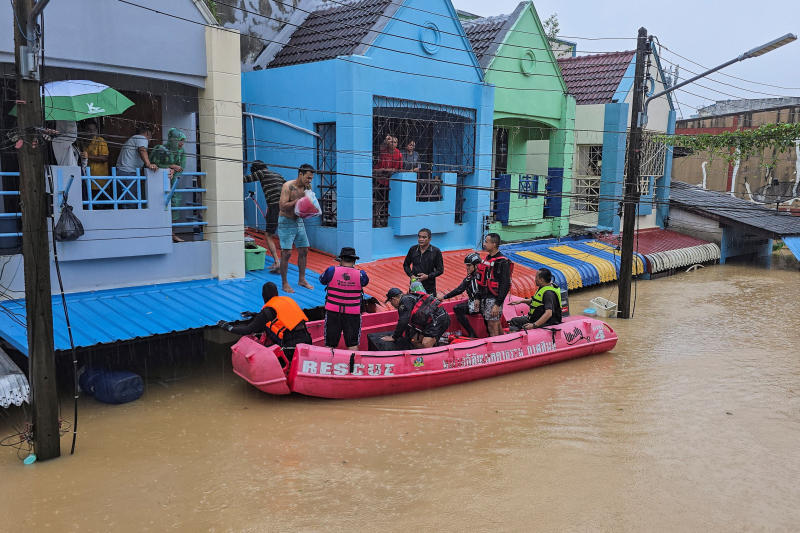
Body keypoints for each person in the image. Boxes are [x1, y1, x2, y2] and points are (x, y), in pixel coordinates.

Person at [217, 281, 311, 362]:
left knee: (266, 325)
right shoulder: (287, 300)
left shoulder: (267, 311)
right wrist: (255, 315)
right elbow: (282, 317)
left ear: (263, 296)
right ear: (276, 293)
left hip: (290, 347)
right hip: (307, 339)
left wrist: (228, 327)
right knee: (267, 323)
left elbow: (248, 329)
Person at [319, 247, 369, 350]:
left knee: (330, 344)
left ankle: (329, 364)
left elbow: (322, 280)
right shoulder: (361, 274)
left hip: (333, 313)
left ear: (341, 259)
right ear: (354, 260)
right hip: (353, 314)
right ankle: (352, 365)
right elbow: (365, 283)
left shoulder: (331, 270)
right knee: (352, 344)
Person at [278, 164, 315, 293]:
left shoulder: (307, 187)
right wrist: (298, 201)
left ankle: (302, 279)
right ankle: (284, 283)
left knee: (304, 250)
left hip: (298, 220)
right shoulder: (288, 186)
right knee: (286, 253)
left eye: (311, 178)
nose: (309, 181)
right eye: (308, 178)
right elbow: (282, 206)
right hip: (286, 221)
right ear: (300, 174)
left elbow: (307, 204)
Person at [244, 160, 285, 274]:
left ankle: (277, 261)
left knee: (268, 235)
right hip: (285, 206)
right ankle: (281, 262)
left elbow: (245, 179)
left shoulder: (261, 173)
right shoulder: (278, 175)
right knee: (283, 235)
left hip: (274, 206)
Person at [381, 287, 450, 349]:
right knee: (414, 341)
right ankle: (427, 351)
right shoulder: (410, 298)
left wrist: (394, 337)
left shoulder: (404, 302)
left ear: (394, 299)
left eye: (391, 302)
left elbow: (403, 320)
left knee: (426, 344)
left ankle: (432, 357)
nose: (392, 305)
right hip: (430, 321)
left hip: (439, 319)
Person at [476, 233, 513, 337]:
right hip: (485, 297)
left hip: (494, 299)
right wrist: (478, 297)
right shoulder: (487, 259)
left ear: (494, 244)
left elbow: (505, 285)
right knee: (495, 323)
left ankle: (496, 349)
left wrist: (497, 304)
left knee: (492, 326)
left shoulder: (502, 262)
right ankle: (505, 342)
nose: (484, 244)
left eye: (486, 242)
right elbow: (482, 281)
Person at [440, 252, 482, 338]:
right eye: (466, 265)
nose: (467, 268)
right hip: (474, 303)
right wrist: (444, 297)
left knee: (458, 308)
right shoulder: (469, 277)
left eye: (469, 265)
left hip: (482, 305)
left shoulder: (480, 277)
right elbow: (459, 289)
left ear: (476, 265)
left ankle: (471, 333)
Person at [402, 228, 444, 295]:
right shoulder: (412, 249)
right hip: (414, 285)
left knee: (429, 305)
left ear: (430, 239)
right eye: (419, 237)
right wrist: (411, 275)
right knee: (413, 304)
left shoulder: (436, 251)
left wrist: (427, 276)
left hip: (429, 288)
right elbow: (406, 265)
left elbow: (440, 270)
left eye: (424, 237)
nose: (421, 239)